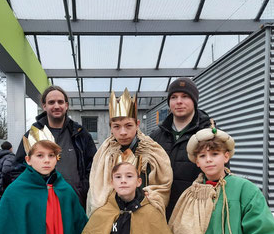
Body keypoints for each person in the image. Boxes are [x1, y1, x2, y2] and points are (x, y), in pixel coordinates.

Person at [169, 122, 274, 234]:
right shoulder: (191, 194)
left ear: (226, 156)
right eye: (202, 156)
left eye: (215, 154)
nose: (208, 160)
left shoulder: (245, 189)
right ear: (197, 162)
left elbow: (260, 230)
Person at [86, 88, 173, 217]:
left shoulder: (152, 150)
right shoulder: (104, 153)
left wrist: (150, 199)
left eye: (128, 125)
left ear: (137, 124)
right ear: (111, 127)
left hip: (144, 214)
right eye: (116, 126)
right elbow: (97, 188)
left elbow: (162, 185)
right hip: (112, 215)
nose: (123, 132)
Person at [15, 85, 97, 207]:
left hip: (75, 202)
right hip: (42, 204)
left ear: (66, 105)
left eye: (60, 102)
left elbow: (93, 166)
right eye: (51, 102)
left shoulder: (80, 133)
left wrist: (82, 190)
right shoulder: (32, 134)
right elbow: (18, 168)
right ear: (44, 106)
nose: (56, 106)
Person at [150, 77, 212, 220]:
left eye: (185, 96)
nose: (179, 101)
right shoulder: (155, 137)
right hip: (161, 213)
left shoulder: (209, 135)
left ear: (194, 101)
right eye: (174, 97)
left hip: (195, 214)